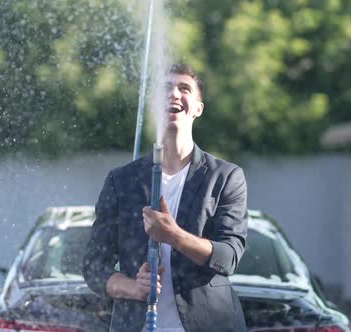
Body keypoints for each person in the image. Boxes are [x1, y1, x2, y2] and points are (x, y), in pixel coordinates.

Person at [82, 64, 248, 332]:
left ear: (198, 108)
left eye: (184, 88)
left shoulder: (225, 177)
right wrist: (133, 288)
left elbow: (228, 257)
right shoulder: (121, 181)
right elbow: (94, 267)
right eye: (165, 89)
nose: (174, 94)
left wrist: (174, 236)